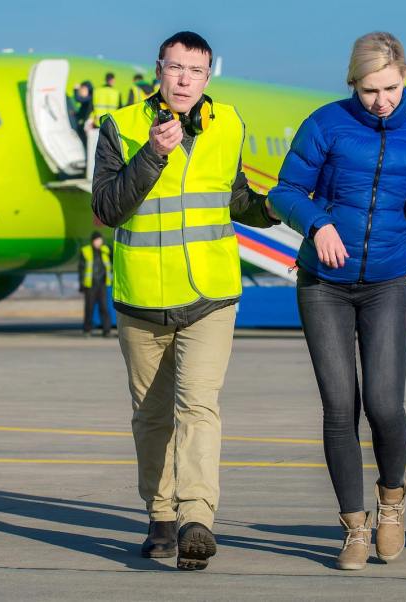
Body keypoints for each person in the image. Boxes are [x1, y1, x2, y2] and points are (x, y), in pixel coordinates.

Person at [268, 31, 406, 571]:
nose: (381, 100)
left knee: (385, 405)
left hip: (387, 285)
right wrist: (318, 224)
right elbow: (284, 191)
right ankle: (354, 528)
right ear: (352, 84)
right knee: (340, 409)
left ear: (403, 78)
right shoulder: (326, 124)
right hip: (323, 287)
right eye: (368, 91)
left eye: (390, 88)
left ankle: (390, 505)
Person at [92, 31, 277, 571]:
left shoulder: (230, 123)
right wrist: (152, 153)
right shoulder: (121, 127)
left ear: (207, 76)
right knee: (151, 418)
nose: (183, 80)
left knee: (198, 406)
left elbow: (234, 196)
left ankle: (197, 518)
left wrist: (281, 208)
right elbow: (107, 207)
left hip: (210, 295)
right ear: (158, 70)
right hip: (141, 296)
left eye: (194, 71)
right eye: (174, 68)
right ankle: (161, 517)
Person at [78, 231, 112, 337]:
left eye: (100, 240)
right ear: (93, 241)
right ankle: (87, 330)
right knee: (89, 308)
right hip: (90, 284)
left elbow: (113, 256)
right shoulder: (86, 251)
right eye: (97, 240)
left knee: (104, 308)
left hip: (102, 283)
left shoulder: (105, 251)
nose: (99, 242)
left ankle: (106, 331)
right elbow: (82, 269)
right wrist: (81, 284)